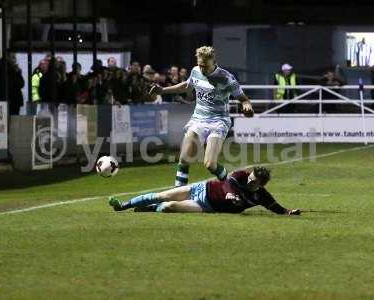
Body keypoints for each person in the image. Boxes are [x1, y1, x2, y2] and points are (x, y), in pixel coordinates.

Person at [150, 46, 253, 187]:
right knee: (184, 159)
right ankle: (177, 192)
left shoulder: (226, 77)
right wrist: (162, 90)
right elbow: (187, 86)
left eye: (205, 66)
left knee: (210, 164)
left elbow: (243, 98)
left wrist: (247, 106)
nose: (202, 68)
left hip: (218, 121)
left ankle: (232, 187)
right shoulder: (195, 71)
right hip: (198, 119)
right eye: (200, 65)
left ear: (213, 61)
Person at [109, 166, 301, 215]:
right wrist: (231, 194)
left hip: (207, 206)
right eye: (251, 177)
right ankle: (124, 205)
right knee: (163, 195)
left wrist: (288, 212)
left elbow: (274, 206)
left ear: (261, 184)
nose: (250, 180)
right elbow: (228, 182)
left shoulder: (261, 196)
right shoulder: (241, 175)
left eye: (254, 181)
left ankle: (149, 209)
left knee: (170, 206)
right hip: (201, 188)